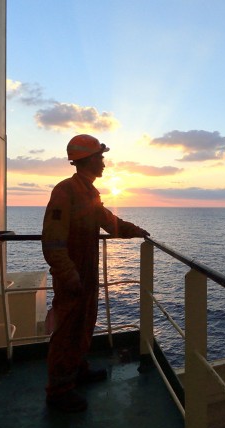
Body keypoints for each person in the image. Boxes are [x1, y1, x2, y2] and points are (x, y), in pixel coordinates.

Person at [42, 134, 149, 412]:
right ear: (87, 160)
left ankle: (78, 369)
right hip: (73, 275)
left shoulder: (88, 192)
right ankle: (58, 391)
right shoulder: (65, 191)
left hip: (85, 272)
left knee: (85, 323)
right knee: (67, 330)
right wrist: (68, 274)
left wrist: (132, 230)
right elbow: (53, 241)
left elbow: (107, 221)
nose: (103, 162)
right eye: (100, 157)